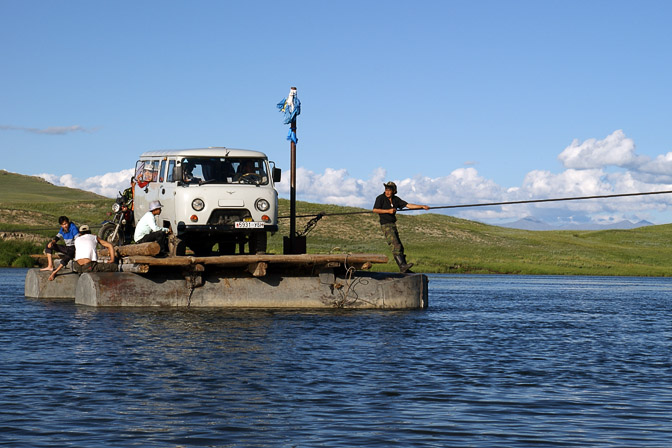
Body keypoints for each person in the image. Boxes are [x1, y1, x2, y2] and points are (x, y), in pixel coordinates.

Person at [372, 181, 430, 273]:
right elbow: (375, 210)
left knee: (400, 247)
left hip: (393, 224)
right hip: (386, 225)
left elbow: (408, 205)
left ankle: (404, 269)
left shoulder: (396, 199)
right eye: (386, 189)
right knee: (396, 245)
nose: (387, 191)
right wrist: (388, 211)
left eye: (389, 190)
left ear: (394, 191)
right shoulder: (380, 198)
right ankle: (402, 266)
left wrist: (422, 206)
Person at [48, 225, 117, 280]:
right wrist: (112, 260)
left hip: (77, 266)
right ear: (89, 232)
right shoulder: (94, 237)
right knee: (114, 266)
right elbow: (110, 245)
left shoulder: (77, 239)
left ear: (80, 233)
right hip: (88, 266)